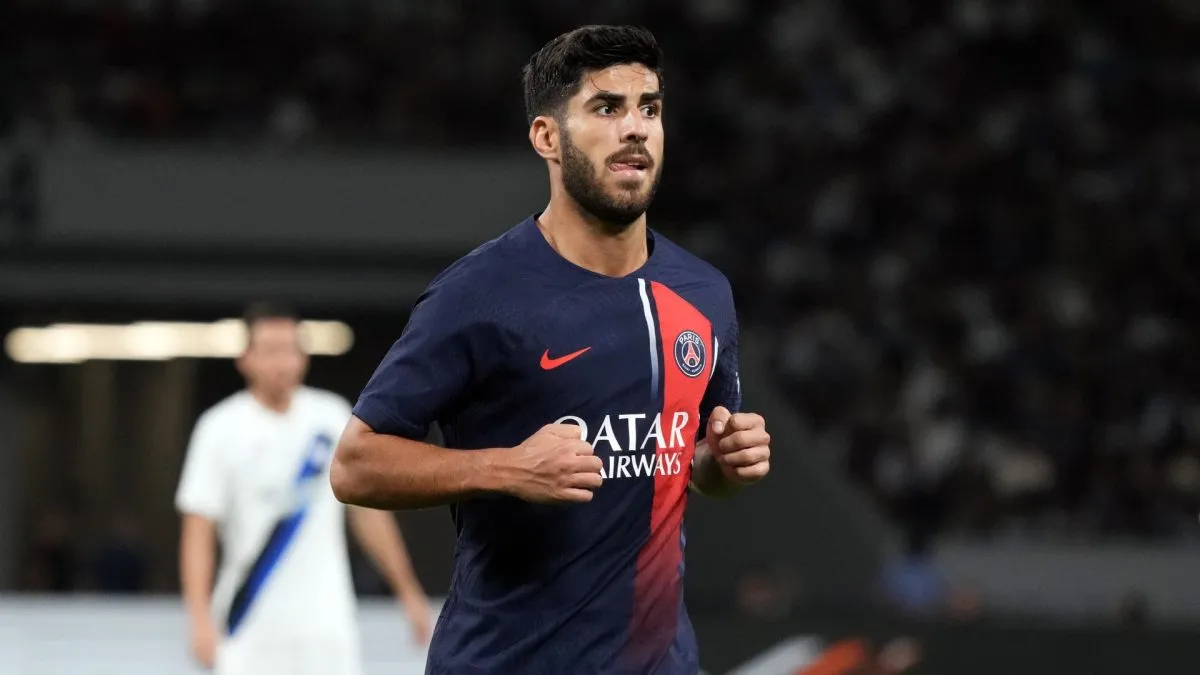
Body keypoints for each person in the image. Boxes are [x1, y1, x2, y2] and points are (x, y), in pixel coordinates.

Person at [332, 24, 772, 674]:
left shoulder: (702, 293)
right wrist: (505, 468)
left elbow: (696, 463)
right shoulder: (479, 294)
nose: (636, 128)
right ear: (547, 138)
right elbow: (355, 465)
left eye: (649, 107)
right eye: (606, 107)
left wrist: (722, 463)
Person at [175, 302, 434, 675]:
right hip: (248, 626)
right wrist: (198, 618)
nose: (282, 362)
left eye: (291, 350)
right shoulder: (219, 429)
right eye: (270, 351)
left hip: (327, 629)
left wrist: (407, 590)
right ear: (245, 359)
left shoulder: (331, 417)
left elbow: (368, 514)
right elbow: (198, 530)